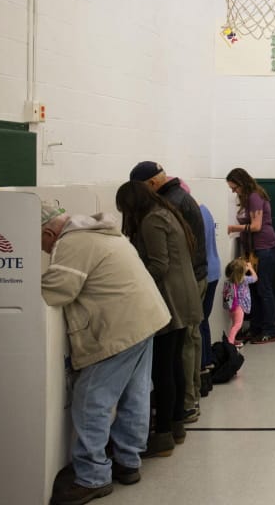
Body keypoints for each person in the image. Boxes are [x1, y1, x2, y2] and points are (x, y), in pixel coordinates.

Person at [41, 202, 170, 505]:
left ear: (49, 232)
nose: (44, 250)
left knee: (90, 400)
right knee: (134, 394)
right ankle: (128, 460)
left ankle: (92, 477)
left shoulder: (71, 242)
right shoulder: (98, 232)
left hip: (122, 326)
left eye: (41, 243)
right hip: (145, 318)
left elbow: (58, 289)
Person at [116, 180, 202, 458]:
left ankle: (163, 432)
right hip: (181, 295)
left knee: (162, 369)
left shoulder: (152, 220)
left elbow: (158, 265)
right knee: (174, 364)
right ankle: (176, 425)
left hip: (169, 299)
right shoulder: (165, 212)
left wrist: (129, 281)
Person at [129, 162, 207, 422]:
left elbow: (161, 262)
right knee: (187, 345)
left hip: (181, 284)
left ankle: (185, 405)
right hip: (192, 278)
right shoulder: (180, 198)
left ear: (151, 185)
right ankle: (190, 399)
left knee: (179, 351)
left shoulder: (166, 207)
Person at [225, 167, 275, 344]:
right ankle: (256, 327)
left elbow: (256, 226)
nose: (234, 191)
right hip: (253, 250)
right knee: (254, 290)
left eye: (235, 187)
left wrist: (233, 228)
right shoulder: (248, 198)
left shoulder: (255, 197)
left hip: (264, 248)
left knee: (264, 289)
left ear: (242, 183)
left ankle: (270, 330)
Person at [179, 180, 220, 397]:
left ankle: (201, 371)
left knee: (195, 326)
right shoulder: (205, 211)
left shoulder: (189, 215)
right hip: (213, 272)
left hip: (200, 273)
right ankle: (206, 367)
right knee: (203, 323)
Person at [224, 257, 257, 347]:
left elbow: (236, 269)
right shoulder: (244, 279)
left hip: (232, 306)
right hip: (240, 307)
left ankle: (233, 339)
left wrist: (238, 263)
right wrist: (250, 268)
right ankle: (230, 342)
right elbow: (255, 278)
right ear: (241, 272)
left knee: (234, 324)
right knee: (238, 325)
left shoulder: (230, 280)